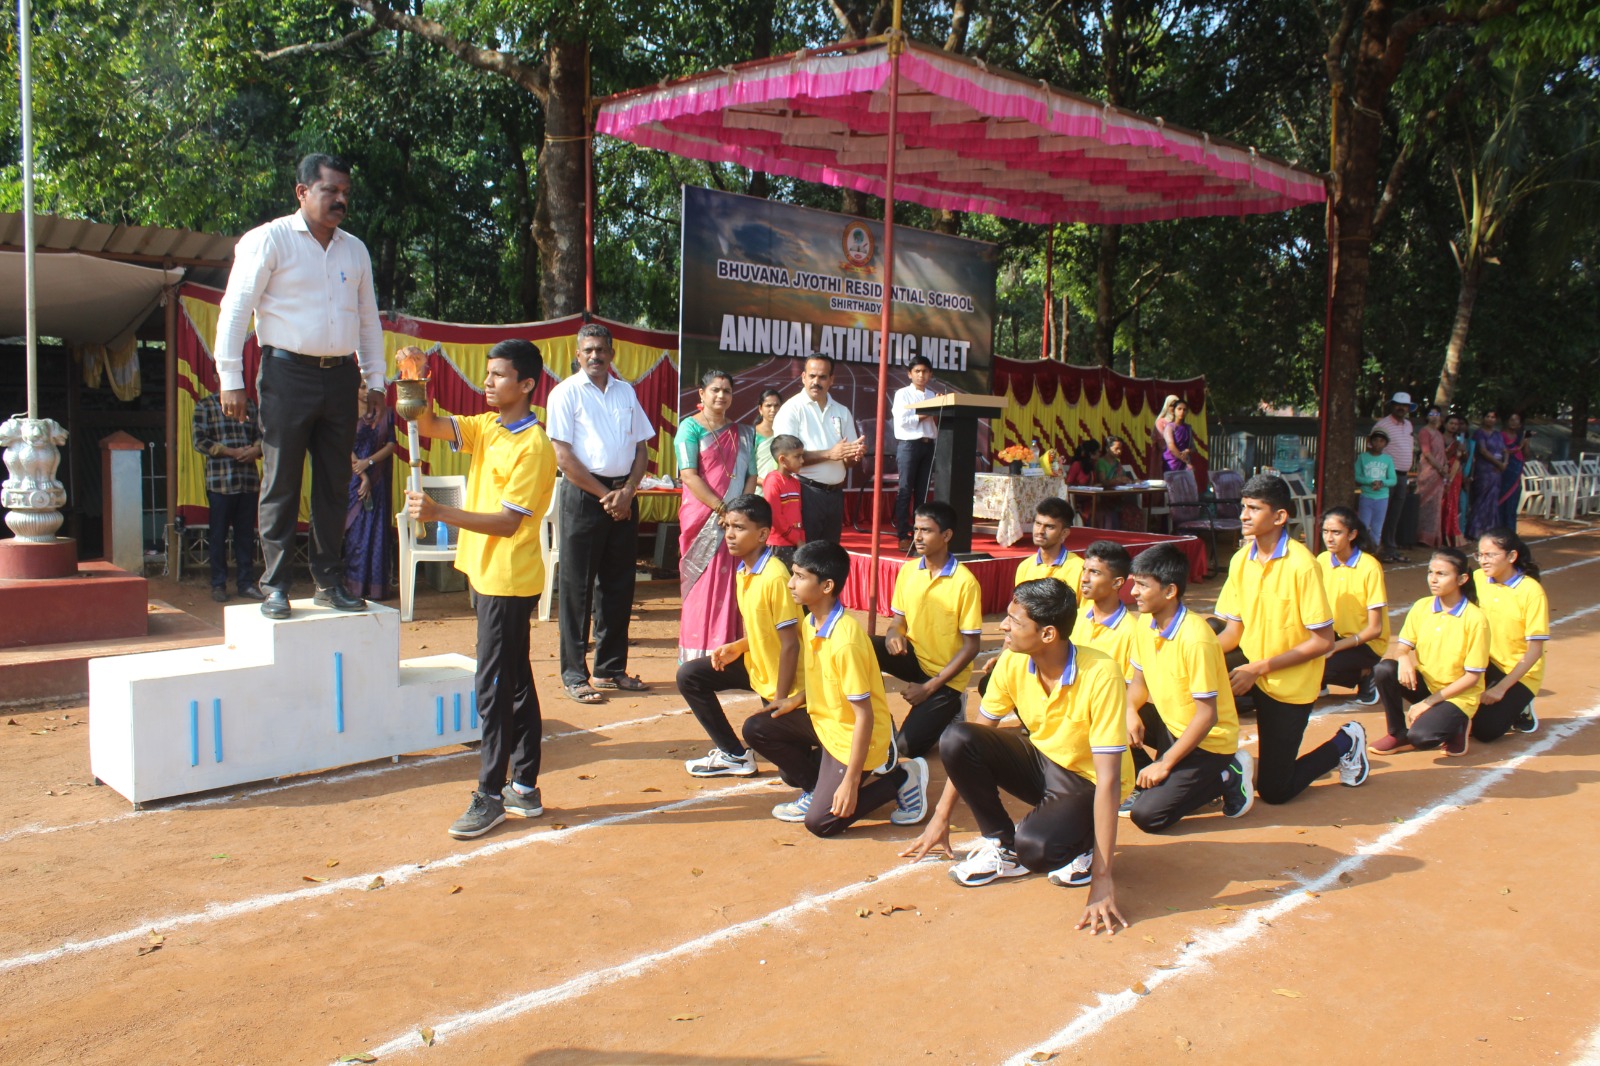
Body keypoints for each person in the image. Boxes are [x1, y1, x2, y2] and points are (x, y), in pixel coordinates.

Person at [902, 578, 1133, 935]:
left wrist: (1103, 879)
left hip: (1087, 781)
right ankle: (1002, 846)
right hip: (1044, 762)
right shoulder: (1013, 661)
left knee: (1037, 849)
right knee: (957, 738)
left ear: (1048, 634)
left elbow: (1108, 779)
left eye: (1014, 620)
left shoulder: (1100, 674)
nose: (1003, 627)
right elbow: (973, 737)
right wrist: (940, 817)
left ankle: (1085, 847)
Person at [212, 153, 387, 620]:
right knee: (282, 481)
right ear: (303, 192)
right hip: (286, 374)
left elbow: (367, 320)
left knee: (334, 482)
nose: (340, 200)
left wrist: (375, 379)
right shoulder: (269, 240)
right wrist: (230, 378)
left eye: (345, 192)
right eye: (331, 190)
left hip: (341, 376)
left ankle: (329, 582)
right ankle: (275, 586)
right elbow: (235, 310)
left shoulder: (355, 250)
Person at [403, 340, 558, 838]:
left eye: (498, 375)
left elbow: (508, 523)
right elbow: (427, 423)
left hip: (507, 580)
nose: (487, 383)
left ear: (526, 384)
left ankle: (490, 794)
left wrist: (438, 512)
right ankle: (525, 786)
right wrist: (416, 378)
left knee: (492, 687)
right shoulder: (488, 426)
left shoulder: (534, 446)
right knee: (514, 680)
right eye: (487, 374)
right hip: (485, 574)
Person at [741, 540, 927, 835]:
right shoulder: (810, 623)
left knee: (821, 823)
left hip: (853, 734)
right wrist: (795, 700)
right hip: (825, 723)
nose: (790, 583)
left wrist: (851, 782)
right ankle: (818, 789)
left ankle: (901, 778)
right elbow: (826, 681)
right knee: (757, 728)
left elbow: (864, 715)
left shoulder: (846, 641)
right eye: (793, 574)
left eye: (800, 577)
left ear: (827, 586)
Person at [1214, 474, 1370, 804]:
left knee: (1275, 791)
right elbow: (1231, 632)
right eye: (1243, 507)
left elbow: (1323, 642)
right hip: (1252, 668)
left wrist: (1258, 668)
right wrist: (1194, 656)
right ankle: (1209, 771)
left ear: (1280, 516)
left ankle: (1345, 743)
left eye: (1254, 508)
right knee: (1193, 681)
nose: (1244, 515)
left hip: (1289, 682)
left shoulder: (1303, 566)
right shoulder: (1240, 560)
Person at [546, 324, 655, 704]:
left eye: (601, 350)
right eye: (588, 350)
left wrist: (628, 491)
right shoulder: (565, 393)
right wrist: (606, 495)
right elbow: (563, 456)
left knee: (619, 585)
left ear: (612, 353)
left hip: (624, 495)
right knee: (577, 588)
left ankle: (610, 669)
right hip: (583, 496)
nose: (595, 356)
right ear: (578, 355)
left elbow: (641, 448)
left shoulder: (626, 392)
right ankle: (576, 675)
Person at [1124, 544, 1252, 830]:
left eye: (1142, 585)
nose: (1134, 592)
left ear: (1170, 591)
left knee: (1148, 816)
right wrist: (1130, 710)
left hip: (1208, 741)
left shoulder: (1196, 639)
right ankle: (1154, 780)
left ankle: (1226, 775)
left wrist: (1165, 763)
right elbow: (1138, 683)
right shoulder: (1145, 623)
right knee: (1109, 711)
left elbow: (1207, 716)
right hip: (1171, 725)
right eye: (1135, 583)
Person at [675, 494, 803, 778]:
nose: (730, 535)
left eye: (739, 528)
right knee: (690, 675)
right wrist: (740, 646)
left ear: (763, 534)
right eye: (728, 527)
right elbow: (766, 629)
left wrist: (780, 699)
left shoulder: (775, 577)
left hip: (788, 681)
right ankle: (733, 755)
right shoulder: (743, 570)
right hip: (759, 667)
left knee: (793, 774)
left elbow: (791, 644)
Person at [877, 501, 983, 757]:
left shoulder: (965, 583)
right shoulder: (908, 570)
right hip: (914, 657)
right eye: (916, 529)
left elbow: (971, 647)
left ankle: (953, 704)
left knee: (907, 747)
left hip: (945, 675)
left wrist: (928, 688)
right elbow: (898, 620)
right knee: (862, 647)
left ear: (946, 535)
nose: (918, 537)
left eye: (926, 530)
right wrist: (893, 633)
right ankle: (878, 718)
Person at [1368, 547, 1490, 757]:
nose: (1433, 579)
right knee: (1384, 669)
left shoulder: (1475, 619)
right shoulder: (1421, 607)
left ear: (1462, 579)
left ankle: (1458, 724)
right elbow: (1402, 647)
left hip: (1458, 696)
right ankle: (1397, 733)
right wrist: (1403, 657)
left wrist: (1427, 703)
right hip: (1428, 684)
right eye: (1430, 572)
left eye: (1441, 574)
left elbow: (1472, 677)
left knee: (1421, 738)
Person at [675, 369, 759, 663]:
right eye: (715, 389)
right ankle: (697, 658)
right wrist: (722, 509)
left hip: (736, 522)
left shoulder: (745, 434)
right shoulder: (689, 428)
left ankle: (727, 654)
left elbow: (751, 475)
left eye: (727, 391)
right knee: (702, 585)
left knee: (732, 586)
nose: (721, 395)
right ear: (702, 393)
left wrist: (738, 514)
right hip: (703, 520)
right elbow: (688, 475)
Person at [772, 355, 865, 545]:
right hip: (804, 492)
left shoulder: (842, 411)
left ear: (832, 379)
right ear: (803, 377)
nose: (816, 381)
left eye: (822, 377)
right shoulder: (791, 409)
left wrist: (854, 455)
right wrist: (830, 454)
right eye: (812, 376)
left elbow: (848, 461)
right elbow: (786, 458)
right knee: (807, 554)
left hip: (835, 495)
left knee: (829, 553)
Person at [1472, 527, 1548, 738]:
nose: (1483, 561)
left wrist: (1501, 688)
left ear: (1512, 556)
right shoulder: (1477, 578)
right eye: (1480, 555)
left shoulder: (1531, 591)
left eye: (1490, 555)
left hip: (1520, 672)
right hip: (1484, 664)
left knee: (1485, 731)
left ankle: (1522, 706)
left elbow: (1535, 650)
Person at [191, 391, 265, 604]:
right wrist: (231, 452)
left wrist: (255, 450)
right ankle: (218, 584)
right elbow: (200, 441)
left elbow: (262, 435)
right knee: (218, 536)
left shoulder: (250, 405)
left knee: (246, 536)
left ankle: (246, 583)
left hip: (247, 481)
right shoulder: (205, 406)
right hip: (220, 482)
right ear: (217, 377)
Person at [1317, 506, 1388, 705]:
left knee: (1315, 664)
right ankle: (1320, 682)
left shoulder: (1369, 567)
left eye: (1336, 532)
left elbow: (1375, 629)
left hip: (1366, 643)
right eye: (1325, 531)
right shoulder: (1321, 560)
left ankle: (1366, 674)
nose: (1329, 538)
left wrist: (1334, 647)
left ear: (1352, 535)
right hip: (1333, 635)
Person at [344, 396, 395, 601]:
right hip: (355, 479)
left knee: (377, 533)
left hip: (378, 480)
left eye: (369, 386)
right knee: (356, 534)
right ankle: (354, 587)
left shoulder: (386, 413)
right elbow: (344, 445)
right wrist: (363, 475)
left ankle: (376, 589)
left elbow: (391, 445)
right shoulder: (346, 411)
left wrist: (369, 462)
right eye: (362, 386)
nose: (366, 392)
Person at [1069, 540, 1138, 680]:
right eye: (1084, 570)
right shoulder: (1074, 618)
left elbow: (1131, 685)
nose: (1084, 579)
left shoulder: (1133, 633)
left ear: (1117, 582)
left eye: (1094, 572)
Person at [891, 355, 940, 552]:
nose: (921, 375)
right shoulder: (902, 394)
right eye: (917, 371)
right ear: (909, 374)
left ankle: (920, 535)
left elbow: (937, 422)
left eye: (925, 371)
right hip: (909, 446)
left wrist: (940, 407)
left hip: (928, 445)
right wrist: (931, 410)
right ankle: (903, 535)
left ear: (930, 374)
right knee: (905, 491)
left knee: (923, 493)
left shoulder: (933, 395)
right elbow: (904, 421)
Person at [1373, 392, 1417, 562]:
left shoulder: (1409, 425)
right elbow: (1374, 448)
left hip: (1402, 475)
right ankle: (1377, 548)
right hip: (1385, 475)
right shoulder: (1383, 425)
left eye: (1404, 405)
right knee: (1381, 513)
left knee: (1395, 514)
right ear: (1392, 405)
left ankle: (1390, 549)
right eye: (1398, 404)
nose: (1401, 408)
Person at [761, 434, 806, 568]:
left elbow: (798, 513)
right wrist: (796, 538)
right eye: (797, 456)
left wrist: (800, 539)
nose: (802, 460)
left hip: (795, 542)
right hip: (778, 543)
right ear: (782, 460)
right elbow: (775, 516)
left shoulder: (795, 482)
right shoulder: (773, 481)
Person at [1466, 409, 1507, 540]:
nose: (1490, 419)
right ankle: (1476, 531)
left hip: (1497, 472)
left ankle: (1491, 530)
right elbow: (1483, 451)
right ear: (1483, 418)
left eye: (1493, 417)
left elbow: (1505, 450)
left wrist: (1504, 463)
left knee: (1493, 501)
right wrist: (1498, 464)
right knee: (1481, 500)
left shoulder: (1498, 434)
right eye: (1488, 416)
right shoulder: (1479, 433)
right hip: (1484, 471)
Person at [1355, 428, 1397, 544]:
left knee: (1377, 528)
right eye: (1375, 440)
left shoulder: (1388, 459)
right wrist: (1370, 482)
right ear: (1370, 442)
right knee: (1363, 526)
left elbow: (1393, 480)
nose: (1378, 443)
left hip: (1382, 498)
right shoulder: (1362, 457)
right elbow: (1356, 476)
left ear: (1385, 444)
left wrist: (1382, 483)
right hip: (1366, 496)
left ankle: (1374, 550)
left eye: (1381, 441)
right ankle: (1361, 548)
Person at [1415, 407, 1449, 548]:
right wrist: (1440, 468)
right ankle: (1421, 537)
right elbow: (1427, 453)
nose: (1434, 416)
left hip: (1439, 474)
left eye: (1437, 414)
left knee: (1435, 506)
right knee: (1425, 503)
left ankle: (1433, 537)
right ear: (1426, 416)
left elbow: (1443, 453)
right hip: (1428, 472)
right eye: (1431, 414)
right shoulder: (1424, 432)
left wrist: (1445, 466)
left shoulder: (1439, 434)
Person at [1498, 412, 1529, 529]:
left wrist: (1526, 444)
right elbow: (1502, 451)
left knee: (1512, 502)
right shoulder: (1500, 436)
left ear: (1520, 423)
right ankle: (1499, 529)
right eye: (1511, 419)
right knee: (1501, 500)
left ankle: (1511, 530)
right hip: (1503, 472)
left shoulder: (1521, 438)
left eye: (1517, 420)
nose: (1514, 422)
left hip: (1516, 474)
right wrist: (1519, 447)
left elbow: (1526, 455)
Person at [1442, 414, 1467, 546]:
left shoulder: (1459, 440)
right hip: (1441, 471)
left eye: (1456, 424)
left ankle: (1451, 534)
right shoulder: (1440, 438)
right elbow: (1441, 455)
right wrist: (1455, 450)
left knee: (1453, 503)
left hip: (1455, 473)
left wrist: (1463, 451)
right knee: (1442, 502)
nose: (1454, 426)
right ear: (1445, 424)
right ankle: (1441, 533)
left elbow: (1464, 458)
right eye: (1451, 423)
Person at [1157, 396, 1196, 473]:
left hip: (1184, 464)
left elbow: (1193, 447)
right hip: (1172, 464)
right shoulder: (1170, 427)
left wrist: (1188, 451)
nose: (1182, 412)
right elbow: (1171, 447)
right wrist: (1186, 462)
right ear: (1174, 411)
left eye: (1184, 410)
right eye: (1179, 409)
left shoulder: (1188, 428)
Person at [752, 388, 782, 482]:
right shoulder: (753, 434)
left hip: (782, 488)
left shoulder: (785, 432)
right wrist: (767, 483)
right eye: (768, 406)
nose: (773, 410)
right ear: (760, 409)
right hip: (759, 488)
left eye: (776, 406)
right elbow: (746, 470)